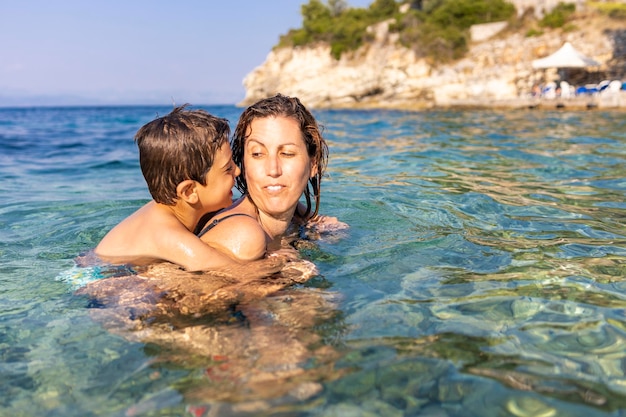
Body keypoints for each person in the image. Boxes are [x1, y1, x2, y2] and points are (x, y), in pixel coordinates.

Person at [94, 105, 247, 272]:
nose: (237, 171)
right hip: (104, 277)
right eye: (227, 168)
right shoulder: (170, 236)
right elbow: (236, 274)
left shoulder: (167, 209)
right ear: (189, 191)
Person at [195, 93, 343, 261]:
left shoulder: (297, 218)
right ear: (243, 165)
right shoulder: (243, 234)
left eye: (287, 153)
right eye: (257, 154)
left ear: (313, 165)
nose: (273, 169)